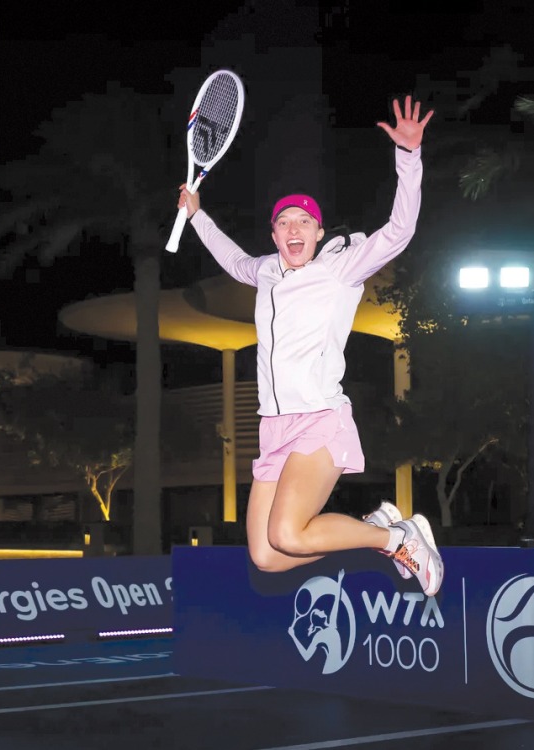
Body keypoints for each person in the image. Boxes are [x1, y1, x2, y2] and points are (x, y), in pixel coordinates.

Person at [176, 95, 443, 596]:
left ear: (319, 233)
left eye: (303, 222)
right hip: (273, 426)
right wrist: (196, 216)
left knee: (287, 533)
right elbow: (235, 262)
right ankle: (380, 532)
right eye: (284, 222)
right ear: (274, 234)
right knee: (268, 556)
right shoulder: (267, 273)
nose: (293, 229)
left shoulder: (340, 269)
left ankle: (395, 537)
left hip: (318, 419)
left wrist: (408, 157)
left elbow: (400, 230)